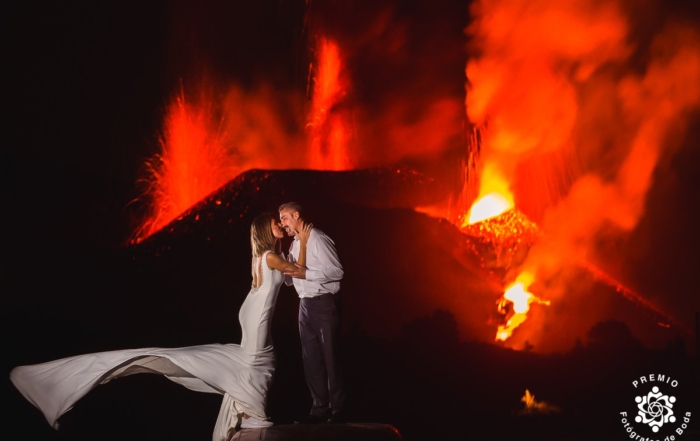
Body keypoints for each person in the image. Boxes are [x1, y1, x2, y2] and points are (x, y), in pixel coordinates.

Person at [9, 212, 312, 441]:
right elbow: (299, 271)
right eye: (275, 222)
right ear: (264, 229)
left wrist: (292, 241)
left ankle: (247, 410)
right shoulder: (270, 256)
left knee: (253, 362)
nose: (278, 225)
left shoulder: (262, 256)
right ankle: (251, 414)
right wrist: (304, 240)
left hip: (251, 311)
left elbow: (285, 275)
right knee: (260, 361)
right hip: (256, 317)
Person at [278, 202, 346, 424]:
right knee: (311, 360)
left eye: (285, 218)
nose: (282, 223)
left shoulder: (317, 237)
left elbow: (337, 271)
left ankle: (338, 410)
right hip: (304, 306)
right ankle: (319, 410)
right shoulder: (295, 244)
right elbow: (290, 278)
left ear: (297, 215)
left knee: (330, 357)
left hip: (323, 304)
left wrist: (306, 273)